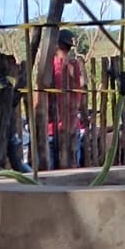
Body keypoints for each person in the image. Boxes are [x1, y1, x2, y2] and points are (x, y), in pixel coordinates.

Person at [47, 28, 83, 168]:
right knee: (73, 176)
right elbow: (78, 99)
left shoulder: (48, 66)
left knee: (47, 179)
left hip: (51, 130)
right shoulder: (74, 66)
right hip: (72, 128)